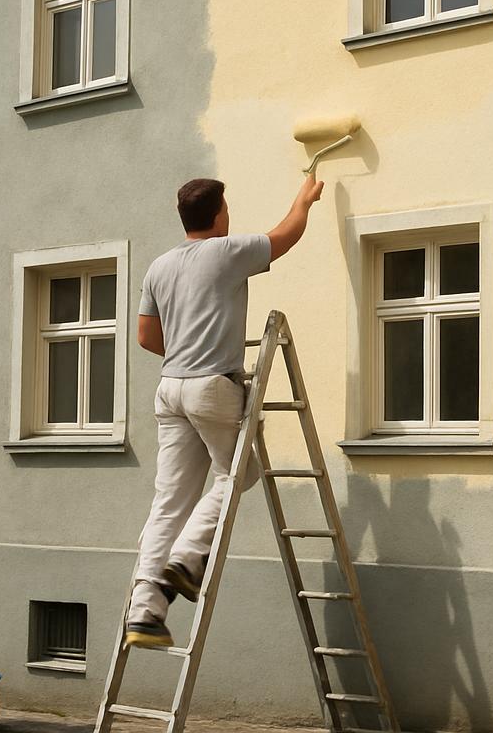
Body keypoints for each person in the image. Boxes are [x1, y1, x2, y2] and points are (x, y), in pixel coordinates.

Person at [125, 173, 324, 647]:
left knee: (169, 502)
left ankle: (145, 609)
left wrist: (188, 346)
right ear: (218, 215)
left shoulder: (160, 266)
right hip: (211, 388)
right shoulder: (227, 251)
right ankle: (188, 558)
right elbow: (286, 235)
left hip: (170, 389)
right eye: (227, 209)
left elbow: (147, 338)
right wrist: (305, 197)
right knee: (238, 474)